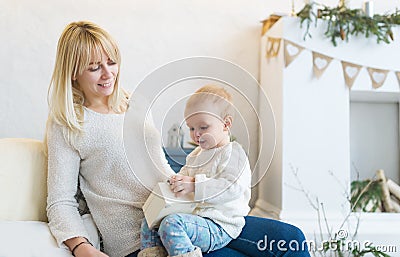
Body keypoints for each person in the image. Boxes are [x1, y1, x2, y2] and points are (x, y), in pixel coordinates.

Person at [46, 20, 311, 257]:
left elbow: (160, 166)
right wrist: (83, 249)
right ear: (73, 72)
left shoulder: (133, 103)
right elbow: (60, 200)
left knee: (292, 240)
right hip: (142, 240)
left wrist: (197, 183)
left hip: (192, 214)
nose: (108, 74)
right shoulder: (68, 123)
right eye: (94, 68)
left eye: (112, 62)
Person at [139, 85, 251, 257]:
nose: (196, 134)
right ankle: (153, 254)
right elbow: (184, 175)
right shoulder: (196, 154)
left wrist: (194, 185)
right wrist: (177, 182)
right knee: (150, 217)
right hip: (194, 216)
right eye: (191, 128)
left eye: (203, 127)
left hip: (219, 224)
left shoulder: (233, 154)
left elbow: (232, 188)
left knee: (171, 224)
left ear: (226, 124)